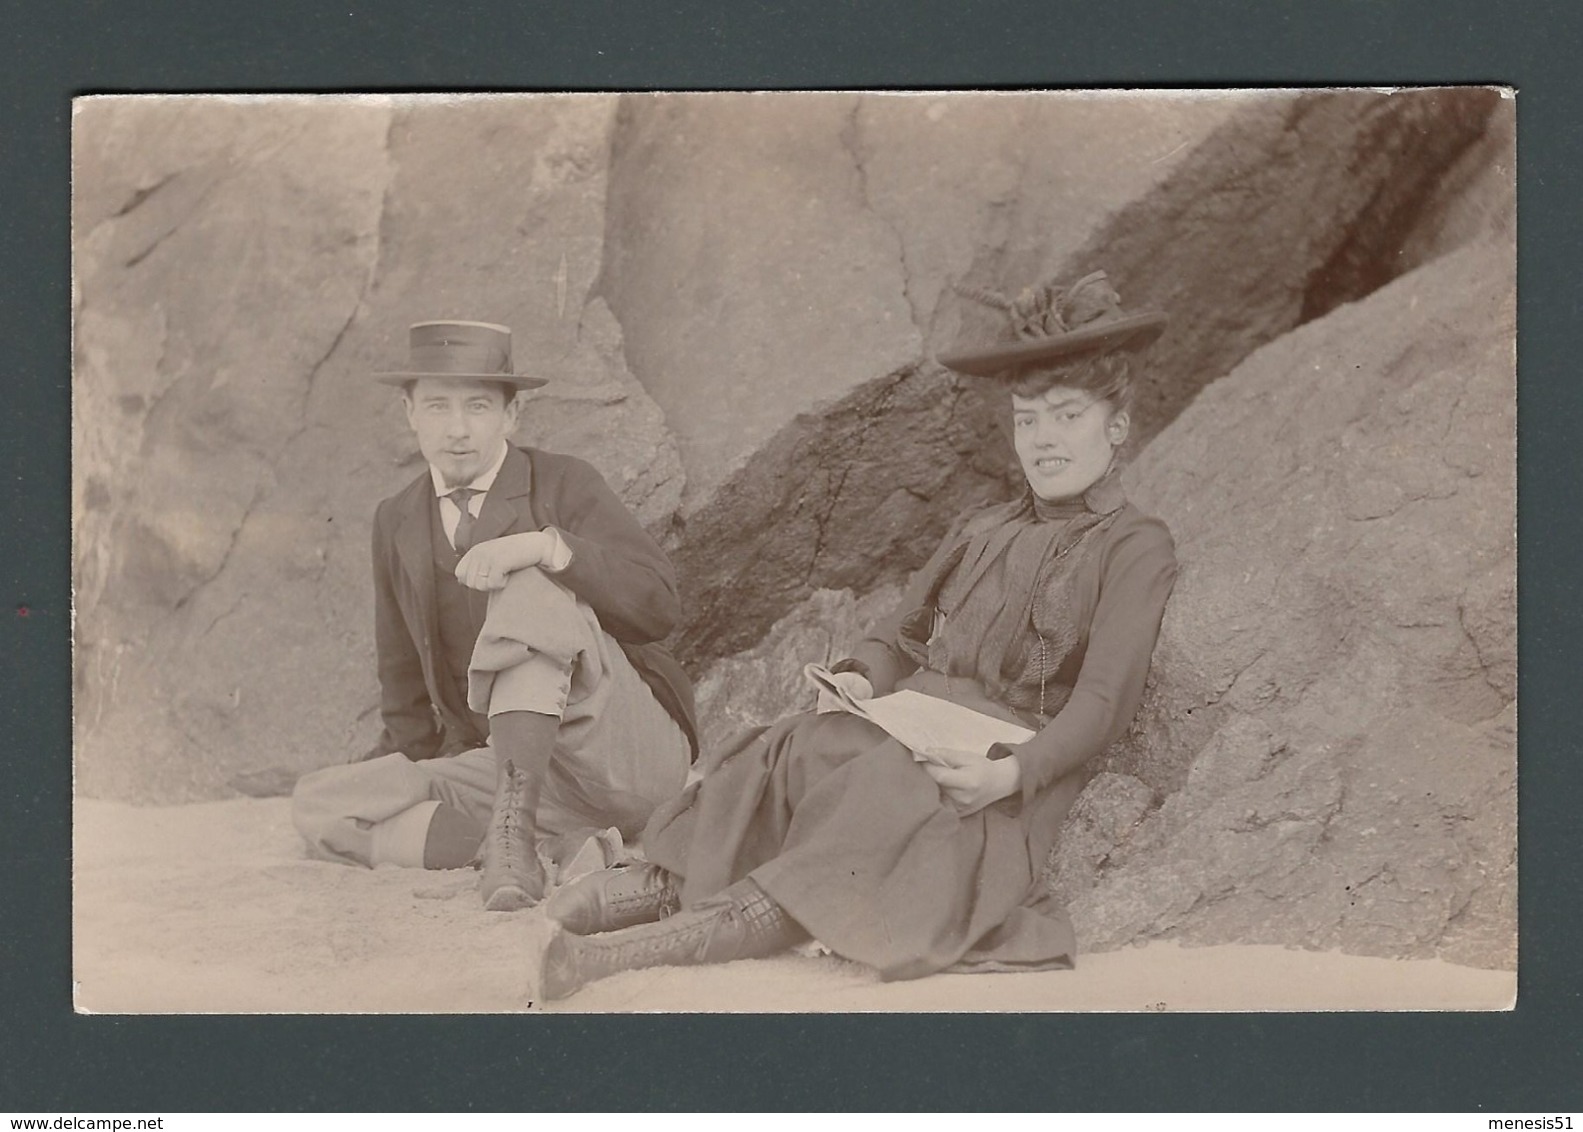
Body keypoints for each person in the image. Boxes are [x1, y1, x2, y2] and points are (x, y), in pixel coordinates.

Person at [529, 271, 1179, 999]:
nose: (1043, 441)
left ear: (1116, 427)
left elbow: (1101, 703)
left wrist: (1009, 774)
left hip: (1001, 764)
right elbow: (898, 636)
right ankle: (662, 883)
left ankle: (644, 950)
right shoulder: (983, 526)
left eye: (1066, 416)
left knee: (887, 783)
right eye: (1028, 420)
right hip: (914, 721)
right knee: (798, 744)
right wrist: (860, 678)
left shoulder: (1134, 544)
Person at [291, 320, 697, 911]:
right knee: (320, 803)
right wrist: (428, 773)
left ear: (511, 416)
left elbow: (659, 605)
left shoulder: (564, 483)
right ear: (410, 413)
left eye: (478, 407)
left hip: (622, 754)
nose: (457, 430)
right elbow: (400, 669)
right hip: (514, 773)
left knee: (528, 585)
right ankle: (533, 846)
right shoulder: (396, 518)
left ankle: (514, 839)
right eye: (437, 407)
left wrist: (545, 547)